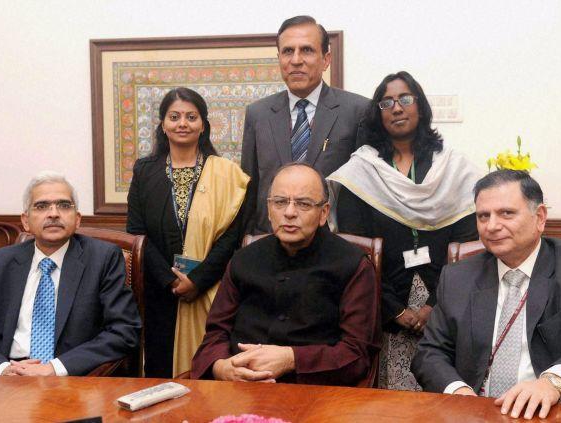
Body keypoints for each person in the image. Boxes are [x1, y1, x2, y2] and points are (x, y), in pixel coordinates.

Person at [411, 170, 561, 418]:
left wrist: (551, 384)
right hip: (475, 413)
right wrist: (458, 393)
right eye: (483, 216)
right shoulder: (457, 277)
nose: (492, 226)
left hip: (557, 411)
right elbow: (430, 353)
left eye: (506, 213)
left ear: (540, 217)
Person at [327, 71, 481, 390]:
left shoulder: (452, 168)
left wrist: (434, 304)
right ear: (378, 113)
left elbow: (466, 245)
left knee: (446, 392)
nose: (396, 107)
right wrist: (393, 309)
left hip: (445, 295)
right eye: (387, 102)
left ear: (420, 107)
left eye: (405, 99)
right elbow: (355, 250)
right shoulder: (362, 171)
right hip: (382, 299)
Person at [191, 163, 380, 386]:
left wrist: (292, 359)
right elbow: (215, 335)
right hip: (239, 391)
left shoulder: (353, 265)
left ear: (324, 213)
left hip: (317, 396)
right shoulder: (242, 260)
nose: (289, 213)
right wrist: (222, 368)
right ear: (269, 210)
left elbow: (356, 355)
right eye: (280, 202)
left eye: (303, 204)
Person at [0, 172, 141, 376]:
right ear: (25, 221)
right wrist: (1, 370)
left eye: (63, 205)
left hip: (70, 379)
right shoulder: (1, 262)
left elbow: (124, 331)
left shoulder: (103, 258)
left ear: (77, 219)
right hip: (7, 375)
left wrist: (55, 369)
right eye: (42, 206)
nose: (53, 213)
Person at [127, 87, 249, 378]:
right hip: (160, 293)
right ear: (162, 124)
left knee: (211, 370)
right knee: (161, 371)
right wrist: (171, 280)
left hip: (212, 291)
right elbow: (136, 233)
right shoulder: (145, 171)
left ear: (203, 125)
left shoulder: (226, 173)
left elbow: (232, 236)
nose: (183, 123)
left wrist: (197, 280)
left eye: (191, 117)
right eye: (175, 116)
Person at [241, 15, 369, 235]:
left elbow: (366, 193)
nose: (296, 60)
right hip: (270, 243)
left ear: (326, 59)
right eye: (288, 51)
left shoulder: (357, 111)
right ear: (279, 58)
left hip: (333, 246)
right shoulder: (258, 113)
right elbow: (250, 190)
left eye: (307, 50)